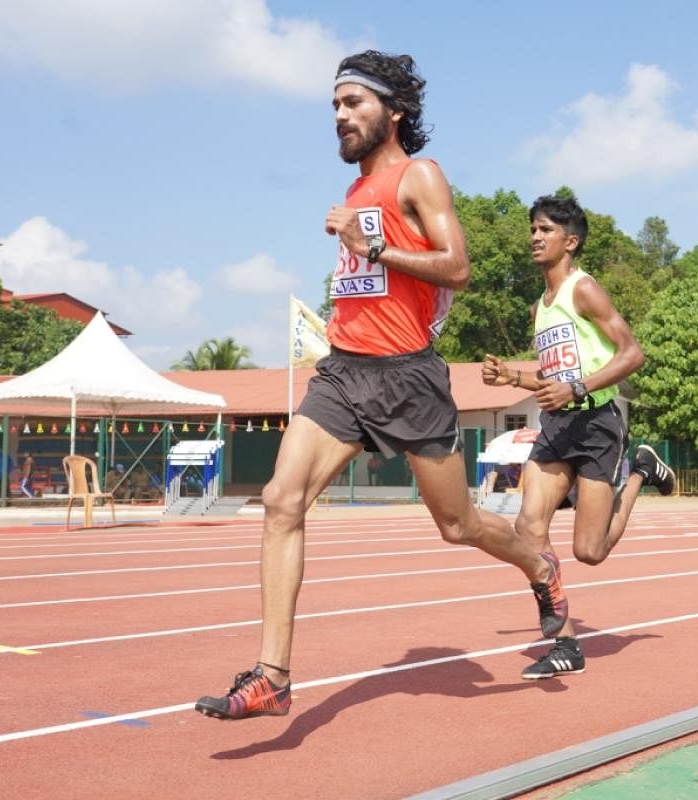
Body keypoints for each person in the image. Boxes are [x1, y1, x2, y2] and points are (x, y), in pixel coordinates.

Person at [194, 50, 567, 721]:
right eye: (335, 105)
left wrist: (369, 248)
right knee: (282, 499)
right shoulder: (353, 194)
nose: (340, 116)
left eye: (354, 103)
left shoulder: (418, 176)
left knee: (458, 525)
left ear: (394, 111)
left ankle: (540, 567)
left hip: (408, 376)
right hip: (344, 370)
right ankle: (273, 676)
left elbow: (456, 268)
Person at [483, 194, 675, 680]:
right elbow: (552, 378)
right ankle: (566, 643)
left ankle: (641, 473)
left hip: (596, 426)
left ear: (570, 241)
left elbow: (633, 355)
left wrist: (578, 387)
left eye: (545, 229)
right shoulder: (540, 308)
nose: (534, 236)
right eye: (532, 228)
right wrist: (512, 377)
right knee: (528, 527)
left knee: (590, 551)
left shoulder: (584, 290)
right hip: (556, 428)